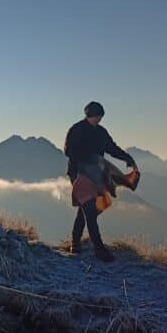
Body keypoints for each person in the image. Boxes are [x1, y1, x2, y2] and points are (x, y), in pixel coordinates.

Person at [63, 101, 137, 261]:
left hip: (95, 175)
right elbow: (68, 151)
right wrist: (90, 157)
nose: (99, 119)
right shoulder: (77, 129)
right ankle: (99, 249)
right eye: (97, 116)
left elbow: (112, 148)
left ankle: (75, 243)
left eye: (100, 117)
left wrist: (127, 158)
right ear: (89, 115)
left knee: (85, 208)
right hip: (79, 175)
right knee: (89, 209)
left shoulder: (101, 132)